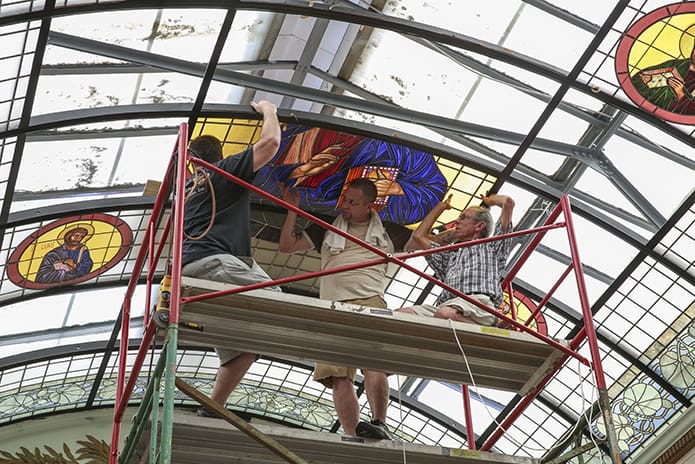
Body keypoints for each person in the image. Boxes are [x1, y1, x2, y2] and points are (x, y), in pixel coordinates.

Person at [181, 100, 281, 417]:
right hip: (213, 262)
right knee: (278, 299)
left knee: (243, 348)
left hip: (194, 274)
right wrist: (270, 111)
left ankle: (213, 405)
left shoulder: (186, 190)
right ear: (217, 158)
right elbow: (270, 144)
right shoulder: (220, 173)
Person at [278, 178, 395, 440]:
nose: (346, 206)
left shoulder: (390, 231)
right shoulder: (327, 228)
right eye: (345, 199)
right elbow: (286, 246)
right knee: (337, 375)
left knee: (373, 363)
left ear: (369, 205)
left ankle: (380, 423)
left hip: (370, 301)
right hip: (331, 307)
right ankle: (354, 436)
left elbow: (423, 240)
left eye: (353, 202)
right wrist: (292, 211)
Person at [400, 193, 515, 326]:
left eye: (463, 217)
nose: (457, 221)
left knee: (444, 315)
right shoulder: (450, 257)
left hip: (476, 303)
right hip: (446, 306)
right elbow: (418, 237)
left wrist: (489, 201)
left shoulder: (493, 246)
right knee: (401, 314)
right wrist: (440, 208)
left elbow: (508, 203)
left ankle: (490, 327)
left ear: (479, 226)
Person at [631, 41, 695, 114]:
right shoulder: (676, 64)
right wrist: (646, 79)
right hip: (639, 105)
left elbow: (690, 113)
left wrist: (680, 93)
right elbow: (636, 79)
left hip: (663, 116)